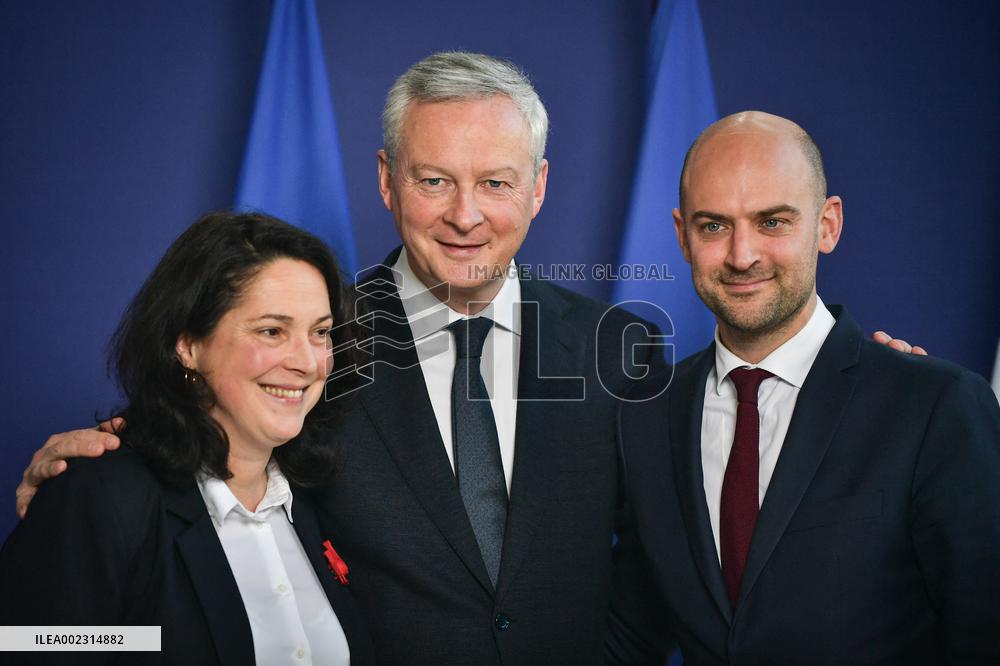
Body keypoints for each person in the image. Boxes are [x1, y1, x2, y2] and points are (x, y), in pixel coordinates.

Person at [12, 57, 921, 665]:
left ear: (538, 187)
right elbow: (216, 447)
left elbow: (668, 538)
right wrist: (104, 464)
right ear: (385, 181)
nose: (465, 215)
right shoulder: (323, 339)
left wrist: (864, 383)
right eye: (433, 179)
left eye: (494, 182)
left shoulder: (623, 349)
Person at [606, 111, 1000, 664]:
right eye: (714, 226)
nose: (742, 255)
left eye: (772, 222)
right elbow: (632, 634)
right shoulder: (645, 418)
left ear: (827, 224)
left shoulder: (933, 407)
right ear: (682, 236)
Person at [0, 212, 376, 665]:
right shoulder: (101, 495)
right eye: (271, 331)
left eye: (320, 332)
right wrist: (149, 643)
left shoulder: (324, 500)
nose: (307, 361)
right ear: (188, 346)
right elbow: (28, 643)